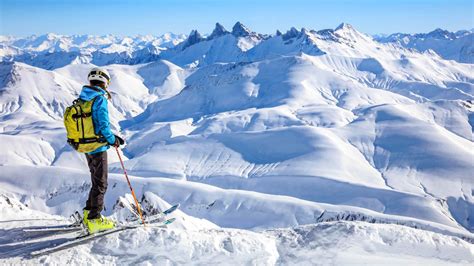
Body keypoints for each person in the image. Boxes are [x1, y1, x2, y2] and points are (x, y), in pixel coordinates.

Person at [79, 67, 124, 233]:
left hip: (86, 145)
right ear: (105, 82)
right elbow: (103, 125)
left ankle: (87, 213)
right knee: (101, 183)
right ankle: (94, 219)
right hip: (97, 145)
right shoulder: (99, 98)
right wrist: (114, 140)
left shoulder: (84, 96)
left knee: (95, 180)